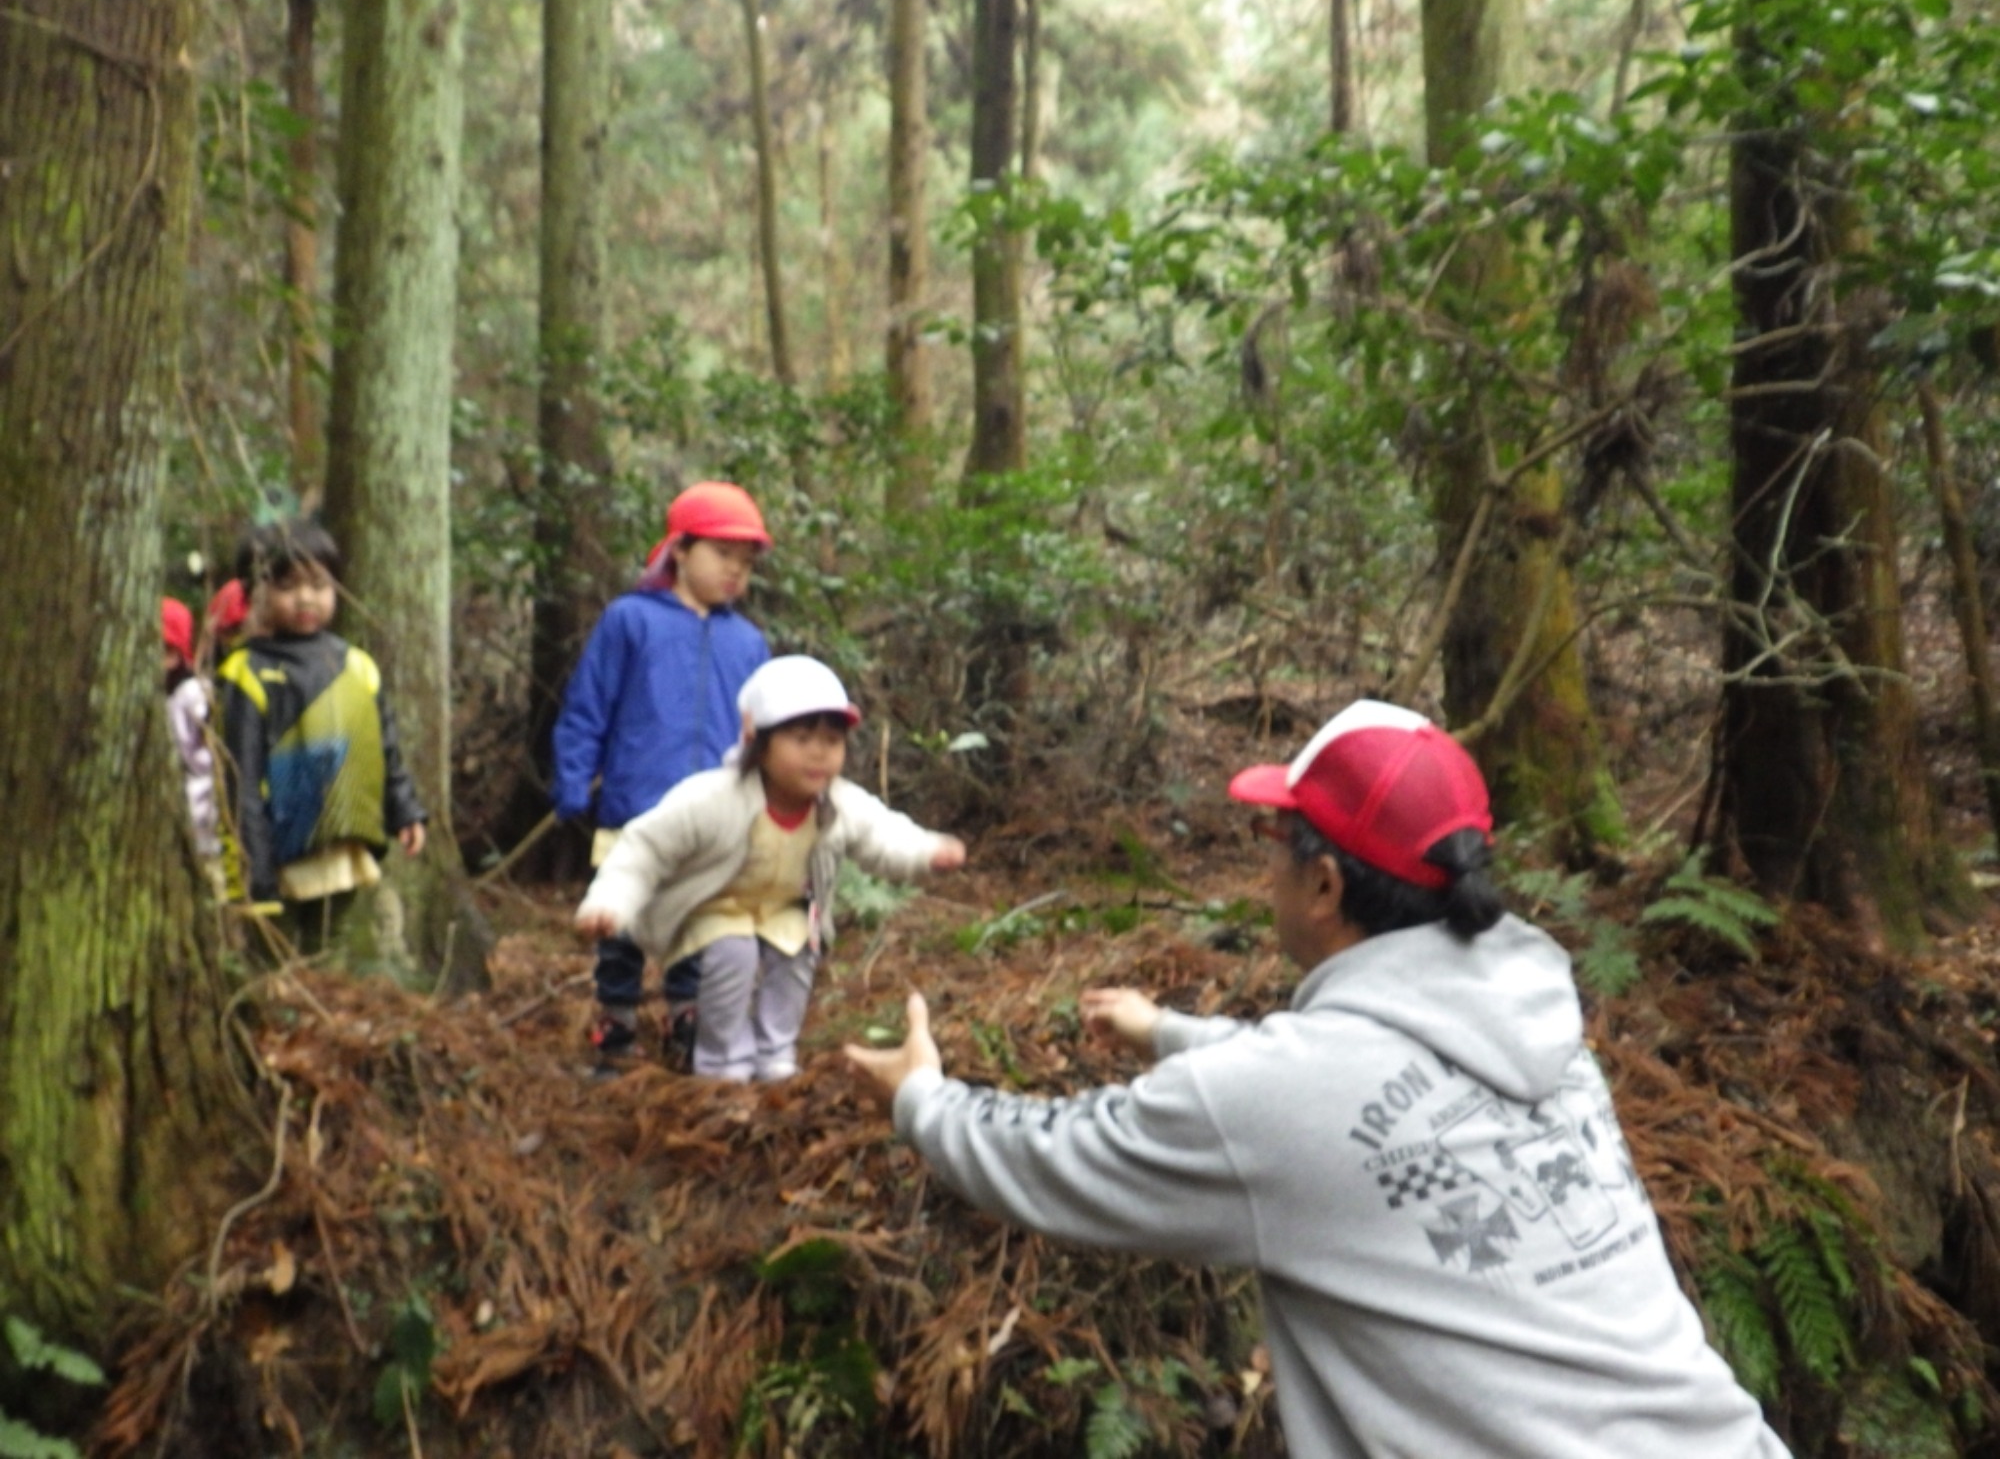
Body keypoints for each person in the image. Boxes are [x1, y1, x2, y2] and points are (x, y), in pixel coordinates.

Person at [846, 700, 1791, 1459]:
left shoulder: (1285, 1094)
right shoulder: (1536, 1024)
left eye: (1276, 842)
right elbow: (1347, 1095)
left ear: (1327, 885)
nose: (1268, 869)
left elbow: (1056, 1159)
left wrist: (923, 1097)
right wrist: (1170, 1033)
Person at [576, 655, 966, 1083]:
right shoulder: (713, 798)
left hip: (782, 907)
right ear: (757, 740)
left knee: (800, 945)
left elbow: (884, 835)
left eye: (832, 741)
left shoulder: (838, 803)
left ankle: (775, 1053)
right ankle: (722, 1061)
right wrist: (610, 903)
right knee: (734, 950)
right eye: (801, 738)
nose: (819, 753)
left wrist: (927, 852)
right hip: (714, 911)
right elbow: (643, 850)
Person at [552, 480, 773, 1063]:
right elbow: (588, 706)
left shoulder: (748, 643)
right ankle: (616, 1023)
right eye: (722, 555)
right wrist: (573, 783)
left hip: (713, 817)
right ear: (679, 550)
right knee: (621, 925)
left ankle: (687, 1022)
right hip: (634, 803)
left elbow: (765, 733)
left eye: (745, 563)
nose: (734, 572)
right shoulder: (630, 620)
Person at [215, 519, 428, 942]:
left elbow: (385, 749)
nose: (306, 598)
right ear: (255, 591)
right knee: (274, 947)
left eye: (319, 584)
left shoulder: (356, 665)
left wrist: (404, 810)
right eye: (289, 586)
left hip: (343, 843)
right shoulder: (245, 672)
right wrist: (253, 869)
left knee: (331, 942)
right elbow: (238, 776)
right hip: (280, 849)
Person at [161, 597, 221, 863]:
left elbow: (210, 751)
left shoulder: (193, 693)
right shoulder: (165, 696)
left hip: (203, 803)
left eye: (165, 650)